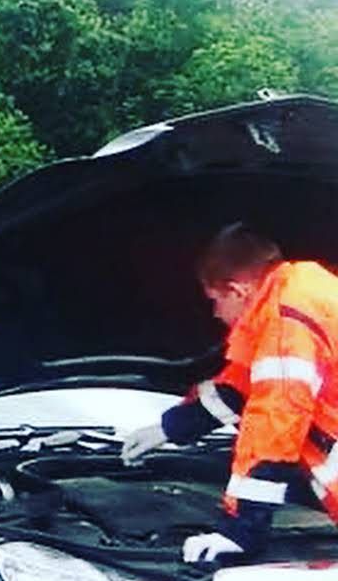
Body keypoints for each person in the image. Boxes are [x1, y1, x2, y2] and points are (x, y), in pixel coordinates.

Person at [122, 222, 338, 563]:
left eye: (214, 300)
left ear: (237, 290)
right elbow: (239, 388)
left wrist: (242, 530)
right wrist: (168, 429)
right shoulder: (299, 293)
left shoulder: (287, 319)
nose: (214, 313)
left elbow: (274, 426)